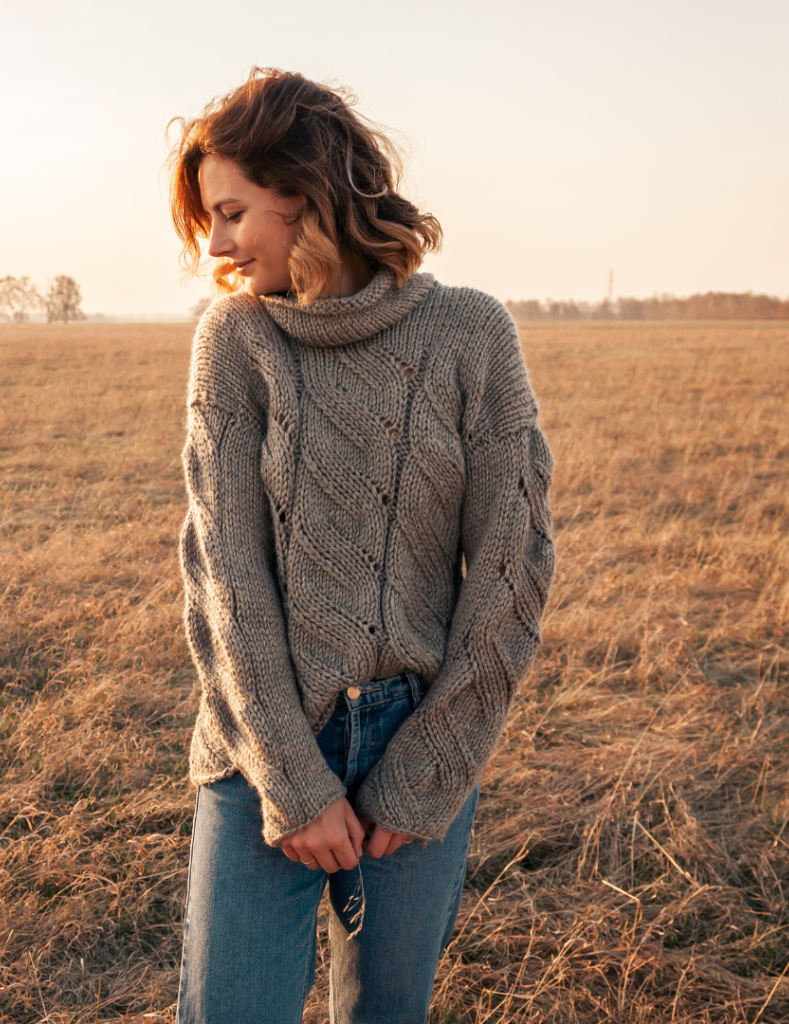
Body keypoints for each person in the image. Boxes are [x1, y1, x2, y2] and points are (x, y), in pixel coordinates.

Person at [168, 67, 555, 1024]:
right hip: (262, 747)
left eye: (229, 212)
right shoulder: (235, 342)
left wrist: (428, 764)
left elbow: (512, 567)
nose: (213, 245)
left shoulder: (470, 335)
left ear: (303, 192)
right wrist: (295, 783)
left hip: (420, 738)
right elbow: (228, 581)